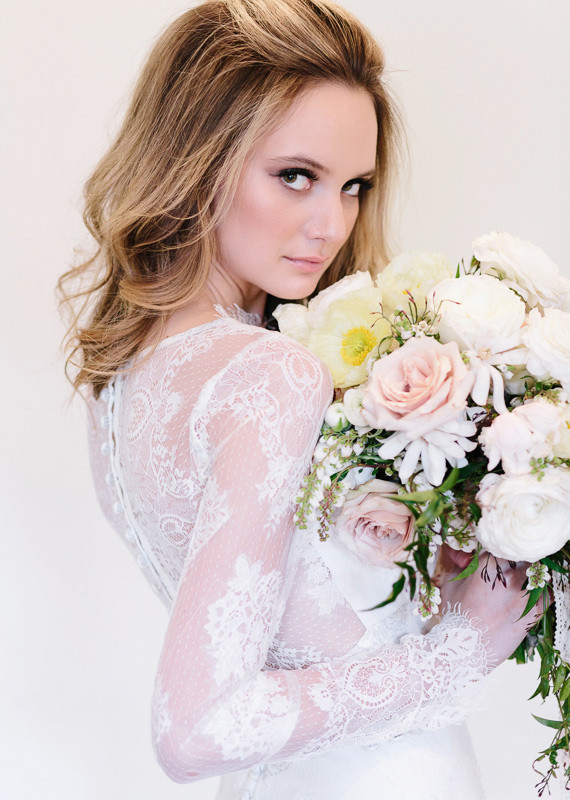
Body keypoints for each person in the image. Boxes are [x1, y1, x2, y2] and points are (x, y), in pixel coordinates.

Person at [58, 1, 543, 797]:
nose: (332, 223)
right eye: (295, 176)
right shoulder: (269, 374)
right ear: (196, 158)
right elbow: (196, 730)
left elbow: (294, 616)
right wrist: (459, 647)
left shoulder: (122, 377)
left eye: (354, 186)